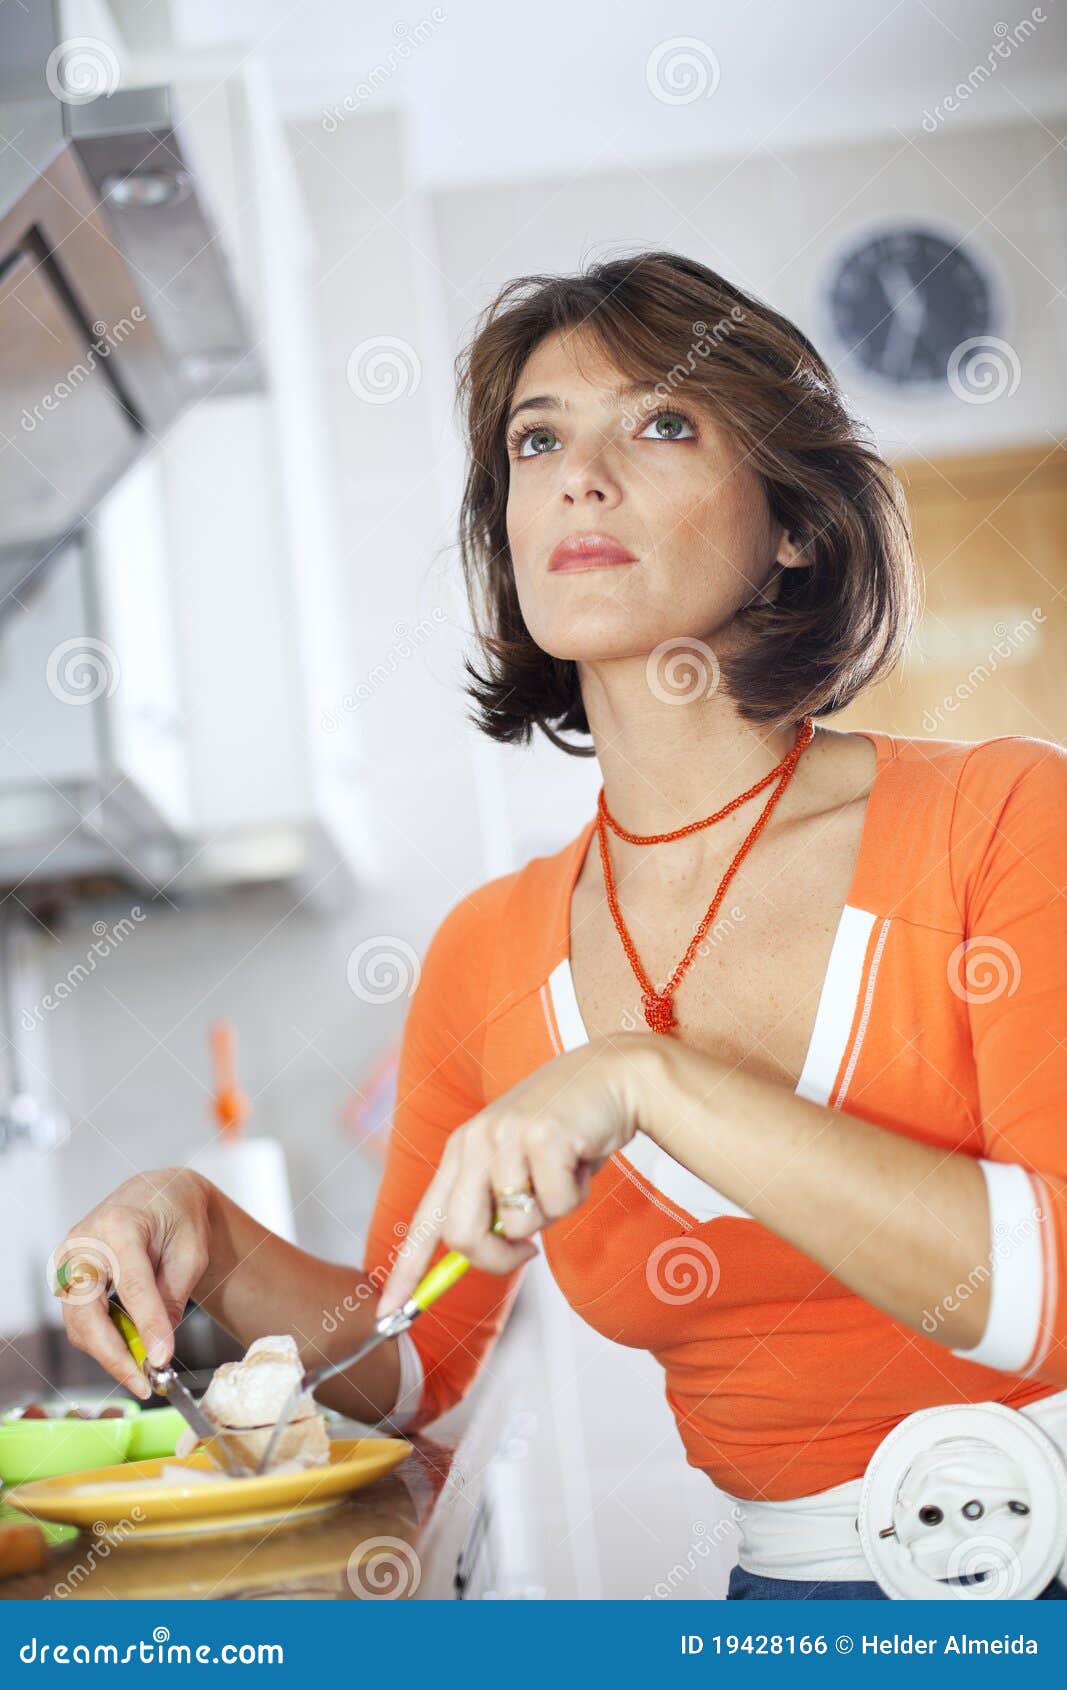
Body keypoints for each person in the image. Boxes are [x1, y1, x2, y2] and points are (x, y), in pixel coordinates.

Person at [53, 252, 1067, 1599]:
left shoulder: (1004, 816)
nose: (580, 474)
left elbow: (1048, 1292)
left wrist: (643, 1075)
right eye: (538, 439)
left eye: (660, 423)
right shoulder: (491, 953)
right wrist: (206, 1230)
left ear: (794, 525)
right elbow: (410, 1364)